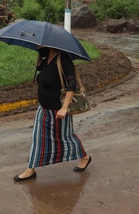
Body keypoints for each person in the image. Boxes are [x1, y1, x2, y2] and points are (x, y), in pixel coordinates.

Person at [13, 46, 92, 181]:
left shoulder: (63, 59)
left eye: (41, 44)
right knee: (37, 138)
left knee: (66, 138)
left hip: (57, 110)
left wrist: (64, 108)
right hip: (43, 109)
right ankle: (30, 170)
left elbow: (71, 85)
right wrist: (39, 57)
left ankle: (85, 157)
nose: (38, 45)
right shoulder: (46, 58)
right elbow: (42, 72)